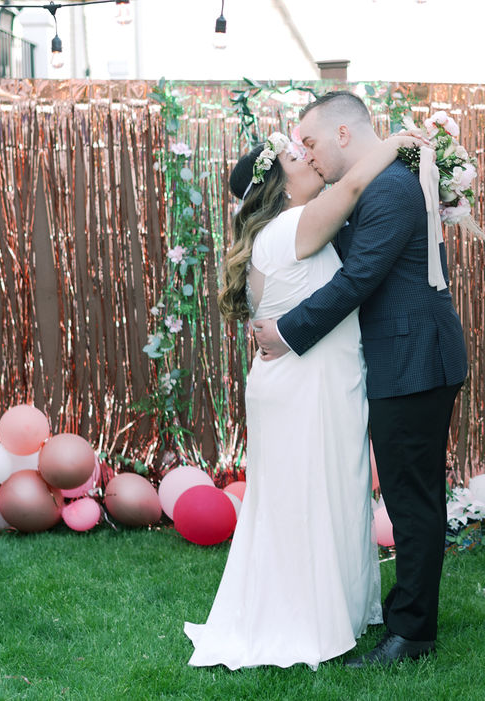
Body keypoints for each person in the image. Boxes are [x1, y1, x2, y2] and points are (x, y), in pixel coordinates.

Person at [183, 128, 426, 670]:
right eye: (295, 156)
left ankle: (329, 607)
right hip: (305, 387)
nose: (307, 156)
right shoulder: (293, 226)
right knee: (307, 498)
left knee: (326, 493)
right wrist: (400, 140)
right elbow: (357, 181)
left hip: (311, 380)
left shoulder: (287, 229)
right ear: (278, 185)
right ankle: (302, 617)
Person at [251, 92, 468, 667]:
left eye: (313, 142)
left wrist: (287, 332)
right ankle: (406, 619)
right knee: (406, 493)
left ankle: (412, 633)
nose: (310, 155)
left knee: (412, 498)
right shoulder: (376, 185)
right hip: (401, 360)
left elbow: (359, 280)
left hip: (415, 361)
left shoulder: (391, 189)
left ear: (344, 135)